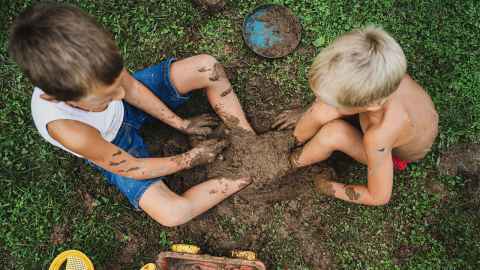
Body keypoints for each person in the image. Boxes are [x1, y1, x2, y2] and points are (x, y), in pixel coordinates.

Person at [8, 3, 255, 226]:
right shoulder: (70, 131)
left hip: (128, 111)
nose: (118, 96)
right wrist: (191, 158)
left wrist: (181, 123)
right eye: (106, 96)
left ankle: (246, 137)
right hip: (112, 144)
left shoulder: (96, 63)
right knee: (173, 213)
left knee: (206, 66)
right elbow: (132, 167)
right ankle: (240, 177)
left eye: (117, 83)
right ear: (59, 98)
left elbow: (132, 89)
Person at [273, 26, 438, 206]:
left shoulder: (379, 136)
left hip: (390, 155)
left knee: (333, 133)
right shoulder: (380, 73)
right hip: (378, 114)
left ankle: (288, 162)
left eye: (331, 100)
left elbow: (379, 197)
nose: (318, 100)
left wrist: (328, 187)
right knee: (321, 110)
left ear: (370, 104)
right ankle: (289, 142)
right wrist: (311, 110)